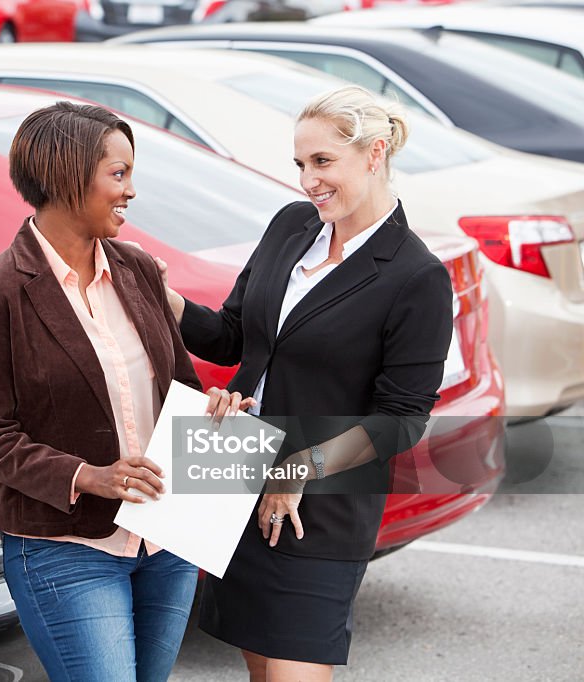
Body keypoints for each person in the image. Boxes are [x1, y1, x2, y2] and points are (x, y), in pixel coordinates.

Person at [156, 86, 454, 681]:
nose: (307, 181)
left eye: (322, 163)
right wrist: (159, 296)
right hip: (232, 479)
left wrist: (296, 471)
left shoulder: (416, 276)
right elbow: (235, 336)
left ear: (374, 154)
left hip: (318, 510)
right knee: (258, 670)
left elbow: (402, 419)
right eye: (300, 164)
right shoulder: (293, 226)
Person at [0, 102, 226, 682]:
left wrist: (214, 410)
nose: (130, 192)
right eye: (118, 174)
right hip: (65, 546)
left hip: (166, 539)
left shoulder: (139, 271)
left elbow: (180, 385)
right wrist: (88, 475)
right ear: (65, 175)